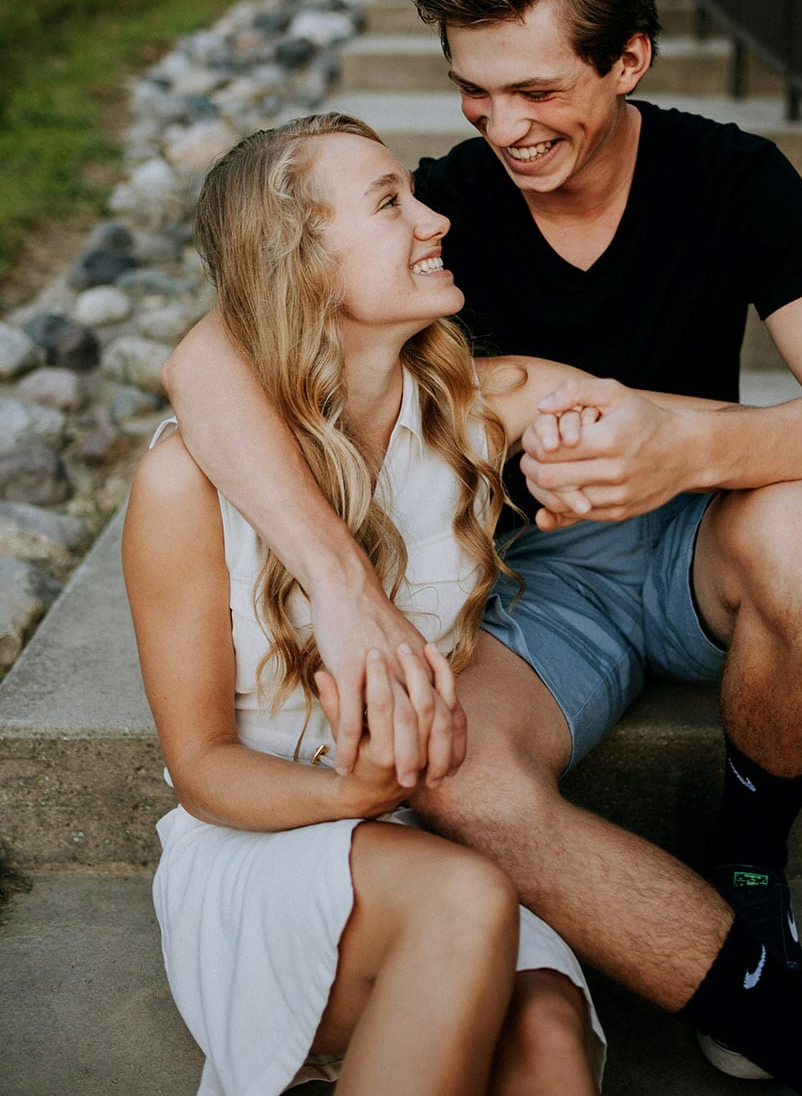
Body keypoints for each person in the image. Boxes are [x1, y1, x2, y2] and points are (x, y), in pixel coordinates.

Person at [163, 0, 802, 1095]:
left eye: (539, 89)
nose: (504, 128)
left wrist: (686, 443)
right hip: (525, 587)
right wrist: (342, 586)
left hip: (698, 540)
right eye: (475, 91)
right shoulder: (442, 209)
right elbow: (202, 357)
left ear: (630, 59)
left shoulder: (734, 179)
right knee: (460, 773)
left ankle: (752, 879)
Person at [123, 111, 607, 1096]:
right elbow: (203, 766)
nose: (434, 218)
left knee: (553, 1040)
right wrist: (357, 793)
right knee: (467, 895)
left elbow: (685, 430)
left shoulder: (476, 414)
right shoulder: (184, 481)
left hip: (424, 847)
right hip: (260, 852)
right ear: (298, 262)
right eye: (391, 202)